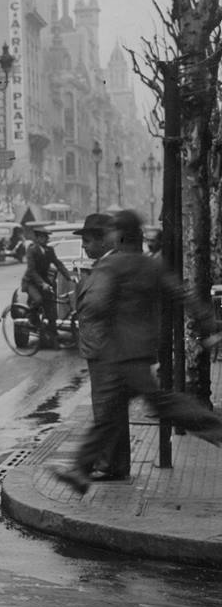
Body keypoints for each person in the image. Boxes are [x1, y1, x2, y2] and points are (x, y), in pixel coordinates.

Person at [55, 209, 222, 495]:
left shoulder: (112, 267)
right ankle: (80, 471)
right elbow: (183, 294)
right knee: (114, 413)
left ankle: (217, 429)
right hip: (141, 351)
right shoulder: (151, 266)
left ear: (119, 235)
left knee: (153, 405)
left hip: (118, 354)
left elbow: (97, 306)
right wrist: (209, 326)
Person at [72, 212, 128, 480]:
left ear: (103, 241)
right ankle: (113, 463)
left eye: (87, 240)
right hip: (104, 348)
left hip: (107, 349)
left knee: (107, 409)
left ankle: (109, 465)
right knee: (108, 408)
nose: (84, 246)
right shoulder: (105, 265)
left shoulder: (112, 267)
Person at [21, 224, 73, 348]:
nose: (46, 239)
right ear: (37, 238)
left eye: (46, 237)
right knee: (38, 299)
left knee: (52, 308)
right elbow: (32, 270)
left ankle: (52, 336)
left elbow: (58, 263)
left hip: (44, 282)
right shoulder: (31, 250)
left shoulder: (50, 250)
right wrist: (42, 283)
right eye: (43, 237)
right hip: (31, 282)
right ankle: (32, 318)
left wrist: (69, 276)